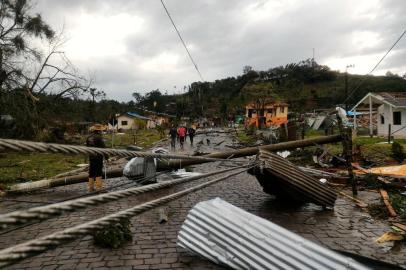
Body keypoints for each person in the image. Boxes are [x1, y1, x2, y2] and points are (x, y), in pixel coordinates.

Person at [86, 126, 105, 192]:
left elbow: (87, 147)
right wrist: (107, 157)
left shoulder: (88, 137)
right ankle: (98, 188)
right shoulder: (99, 137)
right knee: (98, 172)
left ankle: (90, 188)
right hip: (98, 157)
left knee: (91, 172)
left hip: (91, 157)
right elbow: (103, 148)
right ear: (98, 131)